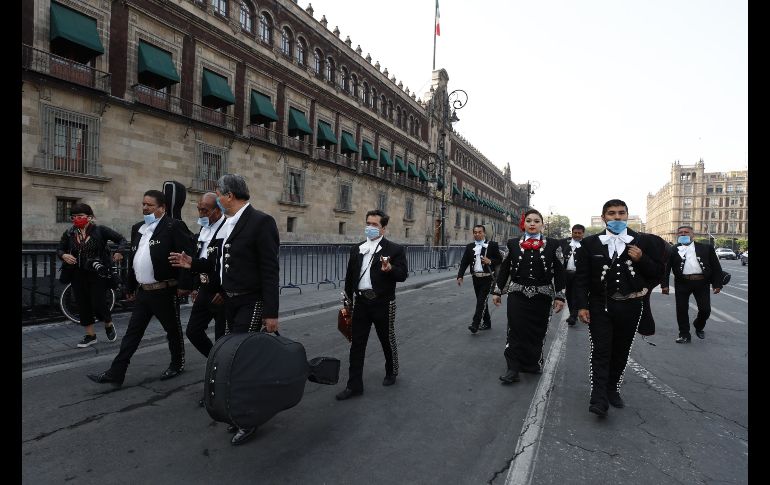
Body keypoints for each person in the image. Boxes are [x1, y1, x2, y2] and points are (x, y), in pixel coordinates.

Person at [169, 174, 280, 446]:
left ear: (229, 195)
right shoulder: (228, 224)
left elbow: (269, 270)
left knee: (240, 359)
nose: (216, 196)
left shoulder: (261, 221)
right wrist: (191, 264)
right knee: (234, 358)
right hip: (230, 302)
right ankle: (239, 410)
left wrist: (271, 313)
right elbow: (218, 265)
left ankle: (249, 418)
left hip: (251, 302)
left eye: (218, 192)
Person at [87, 190, 194, 387]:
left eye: (150, 205)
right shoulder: (138, 228)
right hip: (144, 292)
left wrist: (185, 285)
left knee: (172, 330)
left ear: (162, 208)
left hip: (165, 289)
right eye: (143, 204)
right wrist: (130, 286)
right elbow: (135, 259)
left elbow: (187, 255)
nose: (145, 207)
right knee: (132, 333)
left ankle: (177, 363)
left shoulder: (173, 226)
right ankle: (116, 373)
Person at [573, 199, 664, 417]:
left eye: (621, 213)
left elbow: (657, 273)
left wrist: (642, 259)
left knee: (621, 350)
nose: (617, 217)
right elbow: (581, 279)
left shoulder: (642, 241)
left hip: (631, 304)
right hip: (600, 304)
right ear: (604, 217)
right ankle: (598, 397)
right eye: (611, 213)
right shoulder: (591, 243)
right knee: (601, 350)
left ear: (627, 215)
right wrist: (581, 306)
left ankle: (612, 388)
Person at [335, 209, 408, 401]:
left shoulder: (394, 250)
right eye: (368, 223)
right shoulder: (357, 249)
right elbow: (350, 276)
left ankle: (391, 371)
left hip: (383, 302)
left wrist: (390, 268)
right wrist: (348, 300)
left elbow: (403, 275)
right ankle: (354, 385)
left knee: (386, 338)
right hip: (361, 303)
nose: (370, 227)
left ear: (383, 228)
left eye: (374, 225)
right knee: (357, 344)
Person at [492, 209, 566, 384]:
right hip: (517, 293)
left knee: (537, 330)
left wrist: (560, 296)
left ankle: (532, 363)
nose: (532, 224)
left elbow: (560, 272)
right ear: (523, 224)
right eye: (529, 221)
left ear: (542, 224)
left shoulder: (554, 244)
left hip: (543, 294)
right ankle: (513, 368)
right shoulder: (512, 243)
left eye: (536, 221)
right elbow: (504, 270)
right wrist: (497, 290)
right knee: (515, 329)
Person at [57, 203, 128, 347]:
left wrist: (119, 251)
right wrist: (63, 255)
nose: (77, 219)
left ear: (89, 217)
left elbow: (122, 239)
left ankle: (108, 323)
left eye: (80, 216)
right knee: (82, 303)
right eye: (74, 217)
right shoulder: (70, 232)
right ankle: (90, 335)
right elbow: (60, 248)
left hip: (98, 273)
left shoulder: (100, 230)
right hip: (77, 273)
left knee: (98, 303)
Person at [185, 193, 227, 406]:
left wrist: (226, 291)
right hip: (204, 290)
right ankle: (217, 364)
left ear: (218, 210)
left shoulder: (227, 229)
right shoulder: (203, 229)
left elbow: (232, 263)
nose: (200, 213)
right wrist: (195, 286)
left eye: (205, 210)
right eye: (199, 209)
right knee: (193, 330)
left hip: (222, 295)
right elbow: (199, 258)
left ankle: (220, 384)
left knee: (222, 340)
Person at [661, 225, 723, 343]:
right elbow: (666, 268)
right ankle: (684, 334)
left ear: (692, 235)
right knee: (682, 310)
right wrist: (664, 285)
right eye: (680, 233)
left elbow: (716, 267)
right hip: (682, 283)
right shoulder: (673, 249)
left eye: (686, 232)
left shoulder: (706, 248)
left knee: (705, 310)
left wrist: (717, 284)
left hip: (702, 282)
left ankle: (699, 326)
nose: (683, 234)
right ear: (677, 235)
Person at [457, 224, 503, 333]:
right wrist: (460, 275)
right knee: (481, 301)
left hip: (487, 278)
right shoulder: (469, 246)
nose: (477, 234)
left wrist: (490, 261)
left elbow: (500, 259)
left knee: (481, 301)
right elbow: (464, 262)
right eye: (475, 232)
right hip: (475, 278)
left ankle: (475, 324)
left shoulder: (492, 245)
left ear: (484, 233)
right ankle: (487, 322)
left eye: (480, 232)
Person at [558, 224, 585, 327]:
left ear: (583, 234)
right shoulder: (564, 242)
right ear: (572, 233)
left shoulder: (586, 244)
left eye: (579, 233)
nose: (577, 235)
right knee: (568, 294)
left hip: (579, 275)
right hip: (566, 274)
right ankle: (572, 313)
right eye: (575, 233)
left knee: (576, 294)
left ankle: (573, 316)